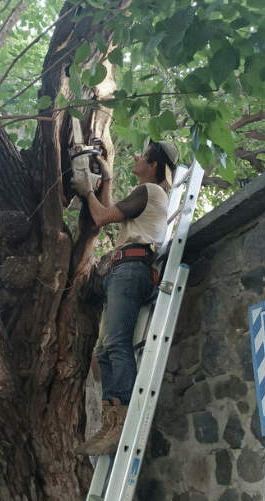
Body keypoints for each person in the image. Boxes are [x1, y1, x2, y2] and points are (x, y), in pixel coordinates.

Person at [73, 139, 179, 455]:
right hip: (126, 270)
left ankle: (120, 421)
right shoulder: (148, 194)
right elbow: (106, 213)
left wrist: (85, 189)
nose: (135, 156)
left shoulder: (151, 192)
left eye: (142, 154)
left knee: (115, 345)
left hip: (131, 268)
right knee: (104, 348)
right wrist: (105, 179)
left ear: (155, 164)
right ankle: (111, 421)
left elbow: (101, 216)